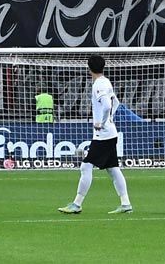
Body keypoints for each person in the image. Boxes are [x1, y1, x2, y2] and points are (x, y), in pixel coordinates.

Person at [58, 53, 133, 216]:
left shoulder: (98, 84)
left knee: (86, 166)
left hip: (104, 135)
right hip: (110, 133)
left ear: (89, 68)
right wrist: (110, 119)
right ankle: (125, 203)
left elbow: (106, 105)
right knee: (113, 169)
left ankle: (77, 204)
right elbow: (116, 103)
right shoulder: (106, 81)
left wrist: (103, 121)